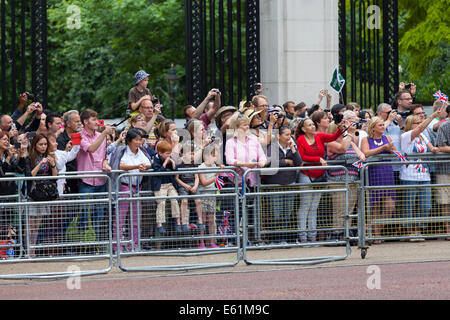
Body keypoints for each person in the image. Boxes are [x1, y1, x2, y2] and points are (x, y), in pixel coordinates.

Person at [294, 118, 343, 243]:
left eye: (312, 124)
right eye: (309, 125)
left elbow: (333, 137)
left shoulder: (319, 136)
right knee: (305, 205)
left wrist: (340, 127)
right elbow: (302, 156)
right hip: (306, 175)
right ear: (303, 129)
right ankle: (303, 236)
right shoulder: (300, 139)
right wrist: (318, 159)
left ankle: (313, 235)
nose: (312, 126)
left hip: (319, 175)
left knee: (314, 206)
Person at [109, 128, 152, 252]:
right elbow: (120, 166)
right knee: (120, 219)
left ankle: (134, 244)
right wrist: (136, 166)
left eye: (140, 140)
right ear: (129, 140)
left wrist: (145, 167)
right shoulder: (122, 151)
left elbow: (148, 163)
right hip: (124, 186)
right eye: (136, 140)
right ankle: (117, 246)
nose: (139, 142)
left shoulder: (142, 151)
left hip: (137, 187)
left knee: (135, 219)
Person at [400, 111, 441, 241]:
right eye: (417, 123)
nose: (420, 125)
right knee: (409, 204)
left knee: (426, 205)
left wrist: (435, 150)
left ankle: (419, 228)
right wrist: (433, 116)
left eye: (419, 122)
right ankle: (409, 230)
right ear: (410, 125)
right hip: (409, 176)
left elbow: (431, 147)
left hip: (424, 175)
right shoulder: (406, 136)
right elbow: (420, 128)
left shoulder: (422, 136)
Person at [77, 109, 114, 242]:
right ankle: (81, 243)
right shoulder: (79, 136)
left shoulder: (100, 135)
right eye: (93, 119)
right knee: (84, 214)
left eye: (96, 119)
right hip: (86, 181)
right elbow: (91, 148)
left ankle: (97, 244)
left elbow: (104, 155)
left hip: (101, 179)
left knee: (99, 215)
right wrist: (104, 133)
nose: (96, 122)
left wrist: (105, 163)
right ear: (85, 122)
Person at [261, 126, 302, 244]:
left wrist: (293, 149)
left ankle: (284, 238)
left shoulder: (292, 147)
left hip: (290, 182)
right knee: (276, 212)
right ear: (279, 136)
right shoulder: (272, 146)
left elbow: (299, 162)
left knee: (287, 212)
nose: (290, 137)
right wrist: (286, 162)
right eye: (287, 135)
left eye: (290, 134)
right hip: (275, 183)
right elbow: (269, 163)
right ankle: (276, 238)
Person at [326, 120, 365, 241]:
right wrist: (350, 134)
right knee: (340, 209)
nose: (345, 130)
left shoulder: (349, 142)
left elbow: (361, 156)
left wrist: (352, 139)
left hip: (353, 180)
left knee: (349, 209)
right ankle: (336, 234)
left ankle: (346, 233)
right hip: (338, 181)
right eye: (343, 128)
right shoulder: (330, 143)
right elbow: (342, 149)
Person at [360, 117, 397, 244]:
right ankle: (375, 234)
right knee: (374, 206)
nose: (383, 126)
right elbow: (365, 152)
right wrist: (382, 148)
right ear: (373, 127)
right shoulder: (366, 139)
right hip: (373, 173)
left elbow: (394, 151)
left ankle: (374, 230)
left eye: (383, 124)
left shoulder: (387, 138)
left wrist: (390, 149)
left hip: (387, 173)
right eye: (380, 125)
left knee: (390, 206)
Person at [26, 133, 58, 258]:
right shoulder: (30, 158)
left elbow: (55, 176)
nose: (43, 147)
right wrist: (40, 164)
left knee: (37, 226)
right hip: (32, 194)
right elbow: (30, 176)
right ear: (35, 145)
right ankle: (29, 250)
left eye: (45, 144)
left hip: (44, 194)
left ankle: (33, 251)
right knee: (30, 225)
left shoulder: (49, 157)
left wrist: (53, 164)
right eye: (41, 144)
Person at [151, 140, 181, 235]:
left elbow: (175, 170)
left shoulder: (170, 158)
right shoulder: (155, 159)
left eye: (170, 153)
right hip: (160, 185)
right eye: (167, 153)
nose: (169, 155)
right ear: (160, 153)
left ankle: (178, 222)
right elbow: (157, 171)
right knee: (161, 202)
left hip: (170, 184)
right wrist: (165, 164)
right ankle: (159, 224)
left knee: (174, 200)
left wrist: (172, 163)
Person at [198, 148, 225, 248]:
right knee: (203, 219)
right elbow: (204, 183)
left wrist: (220, 167)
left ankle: (212, 242)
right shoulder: (201, 167)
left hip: (212, 195)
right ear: (206, 156)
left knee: (211, 220)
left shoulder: (214, 166)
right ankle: (201, 242)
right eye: (213, 155)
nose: (215, 158)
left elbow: (220, 168)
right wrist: (215, 176)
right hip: (203, 195)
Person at [175, 143, 204, 233]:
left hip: (193, 184)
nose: (192, 155)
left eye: (193, 153)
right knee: (184, 201)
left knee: (198, 201)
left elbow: (196, 177)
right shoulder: (179, 163)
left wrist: (195, 186)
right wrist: (185, 185)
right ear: (182, 154)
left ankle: (200, 221)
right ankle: (184, 223)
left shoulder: (194, 163)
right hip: (183, 184)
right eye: (189, 153)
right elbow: (176, 178)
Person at [57, 110, 83, 194]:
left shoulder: (82, 136)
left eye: (80, 121)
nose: (80, 123)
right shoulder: (60, 140)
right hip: (67, 180)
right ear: (68, 123)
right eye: (77, 121)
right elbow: (61, 161)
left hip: (81, 178)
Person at [435, 118, 450, 240]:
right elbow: (440, 146)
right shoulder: (444, 126)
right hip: (445, 168)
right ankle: (447, 230)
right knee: (445, 201)